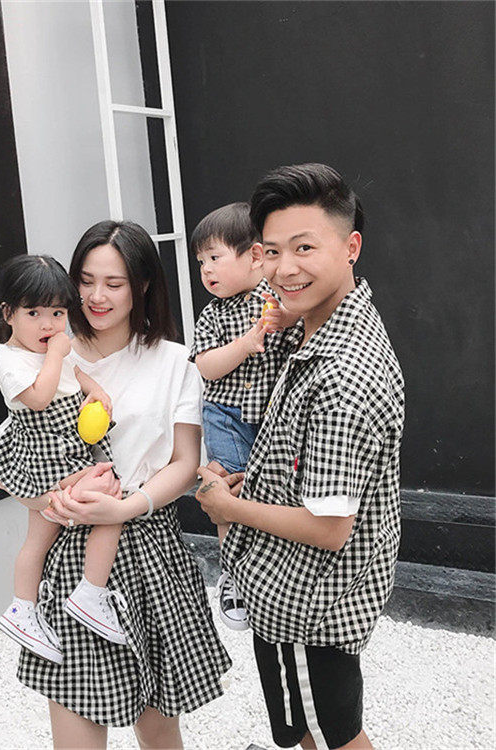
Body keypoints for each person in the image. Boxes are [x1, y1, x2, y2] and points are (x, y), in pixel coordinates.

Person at [196, 164, 404, 750]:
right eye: (272, 251)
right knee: (314, 728)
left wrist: (227, 509)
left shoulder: (341, 375)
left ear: (351, 247)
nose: (285, 268)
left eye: (305, 248)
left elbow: (329, 527)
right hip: (301, 593)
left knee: (333, 736)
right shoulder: (317, 329)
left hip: (308, 604)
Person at [6, 221, 231, 749]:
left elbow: (184, 462)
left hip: (151, 548)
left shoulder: (175, 361)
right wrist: (49, 498)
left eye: (114, 283)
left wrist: (127, 508)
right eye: (85, 281)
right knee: (77, 724)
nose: (96, 296)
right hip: (71, 552)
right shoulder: (47, 356)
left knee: (158, 729)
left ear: (142, 285)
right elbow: (11, 455)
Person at [0, 254, 129, 664]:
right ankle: (87, 593)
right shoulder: (10, 360)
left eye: (57, 313)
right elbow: (38, 398)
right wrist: (56, 355)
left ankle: (26, 607)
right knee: (109, 501)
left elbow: (74, 376)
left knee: (41, 536)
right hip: (46, 456)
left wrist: (94, 389)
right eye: (33, 313)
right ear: (9, 314)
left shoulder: (55, 350)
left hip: (69, 449)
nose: (48, 324)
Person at [188, 202, 297, 630]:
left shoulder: (279, 300)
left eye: (215, 258)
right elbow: (205, 366)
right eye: (201, 262)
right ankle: (232, 572)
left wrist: (285, 320)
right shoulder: (213, 314)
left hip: (273, 419)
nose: (206, 270)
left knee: (273, 495)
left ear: (253, 256)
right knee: (224, 485)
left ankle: (274, 571)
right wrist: (245, 344)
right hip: (227, 416)